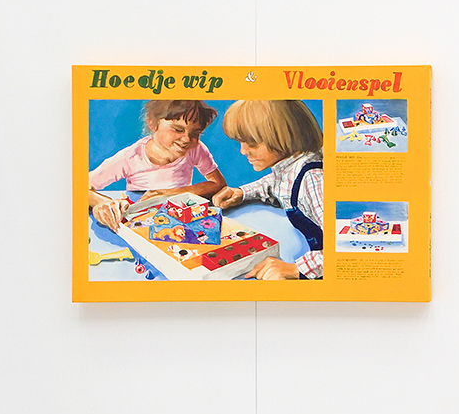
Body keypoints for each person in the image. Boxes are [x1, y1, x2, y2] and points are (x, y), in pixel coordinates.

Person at [211, 100, 323, 281]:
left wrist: (296, 269)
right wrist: (242, 193)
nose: (243, 151)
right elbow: (276, 182)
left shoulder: (314, 180)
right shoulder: (293, 166)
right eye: (241, 142)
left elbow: (344, 248)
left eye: (252, 143)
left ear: (284, 136)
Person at [87, 100, 225, 230]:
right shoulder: (131, 157)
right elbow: (81, 187)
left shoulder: (195, 149)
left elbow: (218, 183)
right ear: (153, 124)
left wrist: (166, 194)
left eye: (195, 133)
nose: (187, 139)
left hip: (179, 219)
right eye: (178, 130)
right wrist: (104, 203)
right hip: (139, 219)